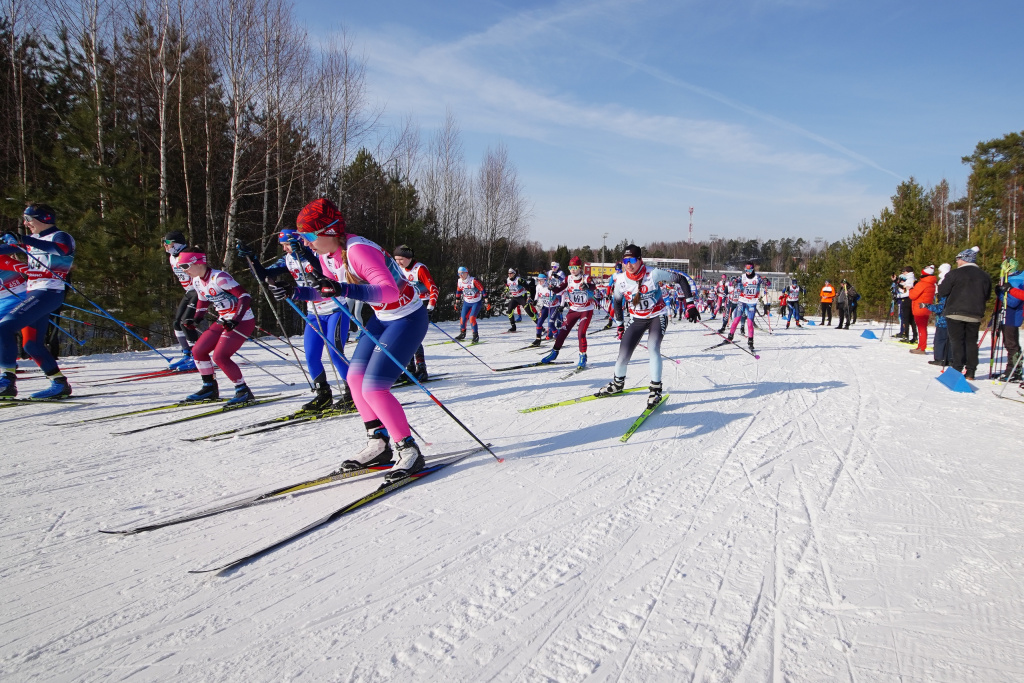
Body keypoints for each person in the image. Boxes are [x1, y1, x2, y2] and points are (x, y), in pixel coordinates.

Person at [290, 198, 428, 482]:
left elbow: (389, 291)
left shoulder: (358, 251)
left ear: (328, 231)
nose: (306, 243)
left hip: (407, 318)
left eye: (309, 235)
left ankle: (408, 448)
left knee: (374, 387)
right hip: (382, 318)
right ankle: (378, 443)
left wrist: (343, 287)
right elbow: (330, 291)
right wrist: (296, 293)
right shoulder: (330, 255)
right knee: (354, 379)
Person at [242, 230, 353, 412]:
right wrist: (252, 259)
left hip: (335, 309)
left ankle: (352, 392)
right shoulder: (288, 259)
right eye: (283, 246)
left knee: (335, 353)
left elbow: (324, 271)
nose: (285, 249)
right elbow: (264, 275)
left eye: (287, 245)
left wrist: (305, 253)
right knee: (311, 355)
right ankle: (323, 394)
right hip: (313, 312)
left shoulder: (319, 254)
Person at [596, 245, 699, 409]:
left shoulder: (653, 274)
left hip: (657, 316)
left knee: (653, 348)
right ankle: (617, 383)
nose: (629, 264)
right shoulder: (621, 280)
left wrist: (690, 304)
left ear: (640, 260)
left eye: (632, 260)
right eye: (625, 261)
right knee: (623, 352)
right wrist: (620, 325)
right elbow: (616, 301)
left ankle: (656, 389)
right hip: (637, 318)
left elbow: (681, 279)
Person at [0, 204, 76, 399]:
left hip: (49, 292)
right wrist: (13, 241)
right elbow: (4, 250)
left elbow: (61, 250)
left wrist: (21, 239)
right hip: (34, 293)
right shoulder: (32, 239)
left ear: (44, 219)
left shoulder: (60, 236)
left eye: (29, 220)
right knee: (31, 345)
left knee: (4, 327)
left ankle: (7, 381)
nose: (26, 224)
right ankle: (59, 384)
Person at [174, 247, 257, 406]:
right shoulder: (197, 280)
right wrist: (196, 319)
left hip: (242, 320)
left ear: (198, 262)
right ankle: (209, 387)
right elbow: (203, 300)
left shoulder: (219, 277)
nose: (184, 271)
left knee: (220, 356)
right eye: (180, 268)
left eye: (185, 266)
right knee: (198, 350)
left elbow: (245, 296)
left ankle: (243, 390)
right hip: (224, 319)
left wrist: (236, 319)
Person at [936, 247, 991, 381]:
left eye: (958, 259)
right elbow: (987, 295)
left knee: (957, 341)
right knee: (971, 342)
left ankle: (956, 368)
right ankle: (971, 372)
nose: (957, 262)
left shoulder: (955, 274)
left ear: (963, 260)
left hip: (955, 311)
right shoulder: (984, 275)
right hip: (975, 313)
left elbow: (942, 291)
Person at [393, 245, 438, 381]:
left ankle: (422, 369)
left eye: (401, 259)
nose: (398, 262)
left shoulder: (419, 268)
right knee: (403, 339)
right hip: (405, 306)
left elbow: (434, 289)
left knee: (413, 338)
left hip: (420, 305)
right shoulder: (398, 269)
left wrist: (430, 308)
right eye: (396, 259)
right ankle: (409, 369)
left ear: (409, 258)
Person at [541, 256, 595, 368]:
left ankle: (582, 356)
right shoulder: (568, 278)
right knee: (562, 332)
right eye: (570, 267)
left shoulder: (586, 278)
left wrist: (588, 286)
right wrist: (552, 288)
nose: (573, 269)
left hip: (586, 310)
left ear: (580, 268)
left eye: (575, 267)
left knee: (581, 333)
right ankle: (554, 353)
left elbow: (593, 286)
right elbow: (559, 289)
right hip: (574, 309)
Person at [163, 231, 200, 372]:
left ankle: (198, 356)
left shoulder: (187, 256)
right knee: (177, 323)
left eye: (168, 243)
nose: (165, 246)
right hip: (189, 292)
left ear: (177, 244)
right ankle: (187, 353)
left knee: (186, 322)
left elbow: (201, 270)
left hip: (198, 291)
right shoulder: (173, 258)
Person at [725, 262, 763, 351]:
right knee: (736, 320)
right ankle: (730, 336)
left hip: (752, 302)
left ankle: (750, 342)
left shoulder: (757, 277)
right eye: (746, 270)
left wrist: (766, 281)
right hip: (742, 301)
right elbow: (732, 283)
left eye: (750, 270)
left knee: (749, 323)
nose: (748, 272)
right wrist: (733, 282)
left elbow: (768, 283)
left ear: (753, 269)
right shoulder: (743, 277)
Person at [998, 258, 1023, 381]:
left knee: (1011, 344)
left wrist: (1001, 293)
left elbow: (1013, 302)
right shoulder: (1012, 279)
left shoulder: (1017, 280)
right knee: (1009, 343)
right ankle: (1012, 370)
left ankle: (1013, 371)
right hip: (1007, 315)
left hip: (1012, 315)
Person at [925, 264, 952, 366]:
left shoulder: (944, 295)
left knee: (940, 340)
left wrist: (927, 306)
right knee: (948, 340)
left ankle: (939, 358)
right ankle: (949, 358)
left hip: (943, 320)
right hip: (950, 319)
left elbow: (940, 308)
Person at [908, 265, 937, 354]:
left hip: (919, 308)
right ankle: (921, 346)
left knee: (921, 328)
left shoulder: (922, 284)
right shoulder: (932, 284)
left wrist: (911, 289)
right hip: (926, 308)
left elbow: (912, 295)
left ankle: (922, 347)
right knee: (923, 328)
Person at [454, 267, 486, 343]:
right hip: (467, 302)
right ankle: (462, 333)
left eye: (462, 273)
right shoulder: (459, 281)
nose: (460, 275)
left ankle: (475, 336)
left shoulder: (473, 280)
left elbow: (482, 289)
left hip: (476, 302)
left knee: (472, 318)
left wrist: (486, 300)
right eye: (459, 273)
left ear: (466, 273)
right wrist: (457, 301)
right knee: (462, 318)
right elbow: (458, 291)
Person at [502, 268, 537, 333]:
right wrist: (504, 292)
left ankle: (540, 326)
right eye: (508, 273)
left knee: (529, 312)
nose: (509, 275)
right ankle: (513, 327)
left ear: (514, 274)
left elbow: (527, 287)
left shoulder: (519, 280)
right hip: (515, 297)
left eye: (511, 273)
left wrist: (528, 296)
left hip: (522, 297)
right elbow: (508, 287)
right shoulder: (507, 280)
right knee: (509, 310)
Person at [895, 266, 916, 341]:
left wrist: (898, 295)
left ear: (907, 271)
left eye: (904, 271)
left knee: (907, 319)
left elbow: (908, 291)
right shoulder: (910, 278)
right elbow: (904, 286)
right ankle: (912, 336)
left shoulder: (910, 278)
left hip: (908, 300)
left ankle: (906, 336)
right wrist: (896, 281)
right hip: (909, 300)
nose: (903, 273)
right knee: (909, 319)